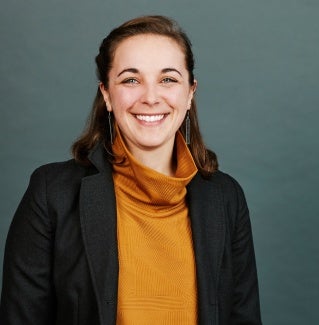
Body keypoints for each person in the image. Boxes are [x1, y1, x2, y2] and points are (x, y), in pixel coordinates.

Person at [0, 15, 262, 325]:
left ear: (190, 93)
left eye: (168, 79)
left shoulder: (226, 197)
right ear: (107, 95)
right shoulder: (51, 193)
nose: (151, 98)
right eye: (130, 80)